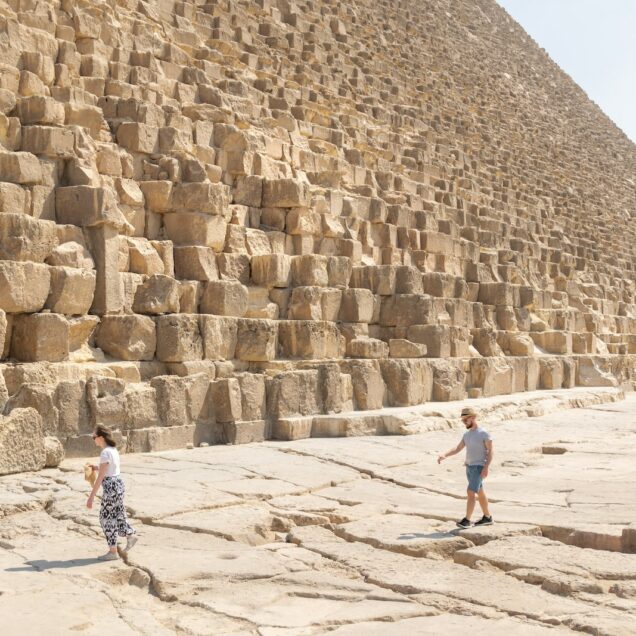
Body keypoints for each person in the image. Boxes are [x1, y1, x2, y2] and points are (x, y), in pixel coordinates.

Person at [86, 425, 138, 560]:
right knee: (118, 515)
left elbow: (101, 476)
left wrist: (91, 497)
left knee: (106, 519)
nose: (93, 440)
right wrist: (96, 467)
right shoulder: (113, 450)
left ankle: (113, 551)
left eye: (94, 437)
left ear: (101, 438)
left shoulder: (104, 453)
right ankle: (130, 535)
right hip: (119, 485)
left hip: (110, 488)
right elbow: (110, 468)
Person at [437, 407, 494, 528]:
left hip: (479, 467)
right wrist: (445, 455)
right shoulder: (467, 435)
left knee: (470, 492)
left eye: (465, 420)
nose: (464, 422)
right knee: (480, 492)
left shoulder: (484, 433)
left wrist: (486, 467)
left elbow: (490, 451)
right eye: (462, 420)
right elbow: (458, 448)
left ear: (473, 418)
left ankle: (467, 520)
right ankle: (487, 517)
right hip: (469, 467)